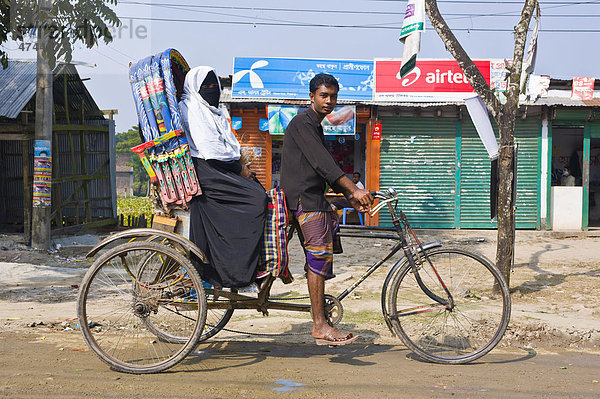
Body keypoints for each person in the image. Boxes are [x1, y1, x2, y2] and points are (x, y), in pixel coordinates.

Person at [280, 73, 373, 345]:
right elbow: (323, 164)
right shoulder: (302, 123)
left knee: (319, 257)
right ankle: (319, 324)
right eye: (324, 95)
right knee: (318, 260)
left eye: (333, 96)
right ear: (311, 97)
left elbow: (321, 169)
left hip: (311, 198)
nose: (329, 101)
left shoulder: (314, 125)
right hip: (304, 202)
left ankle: (322, 318)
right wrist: (353, 189)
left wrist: (347, 195)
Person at [179, 66, 267, 288]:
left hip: (220, 168)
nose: (211, 91)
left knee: (260, 191)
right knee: (256, 200)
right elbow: (211, 151)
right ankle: (237, 273)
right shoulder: (191, 109)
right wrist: (240, 170)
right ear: (195, 89)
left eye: (214, 86)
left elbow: (227, 148)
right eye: (206, 87)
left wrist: (240, 167)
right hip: (207, 170)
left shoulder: (214, 111)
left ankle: (247, 266)